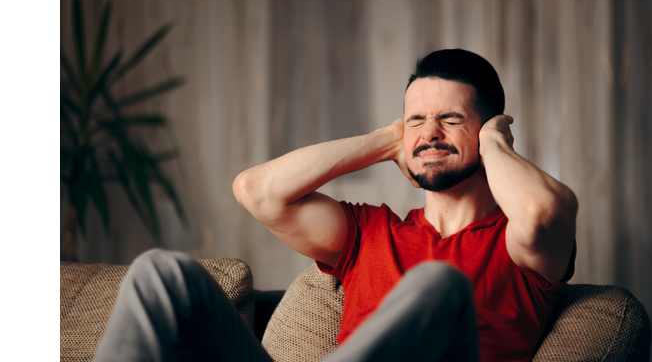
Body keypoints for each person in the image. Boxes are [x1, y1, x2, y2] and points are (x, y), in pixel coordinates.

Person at [93, 49, 577, 362]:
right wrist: (388, 139)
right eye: (416, 121)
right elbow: (257, 191)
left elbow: (541, 215)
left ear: (489, 127)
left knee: (438, 286)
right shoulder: (369, 233)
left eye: (451, 119)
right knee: (160, 275)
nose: (429, 133)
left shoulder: (517, 246)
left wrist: (494, 143)